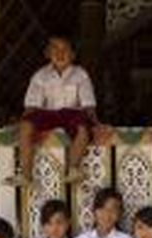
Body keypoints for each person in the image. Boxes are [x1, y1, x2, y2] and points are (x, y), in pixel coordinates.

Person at [20, 36, 97, 185]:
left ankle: (74, 168)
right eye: (55, 49)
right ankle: (25, 173)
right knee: (25, 126)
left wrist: (94, 121)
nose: (60, 53)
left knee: (83, 128)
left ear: (73, 55)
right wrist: (25, 121)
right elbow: (32, 105)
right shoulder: (40, 76)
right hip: (48, 113)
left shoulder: (80, 74)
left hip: (72, 113)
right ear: (47, 54)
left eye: (65, 50)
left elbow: (88, 103)